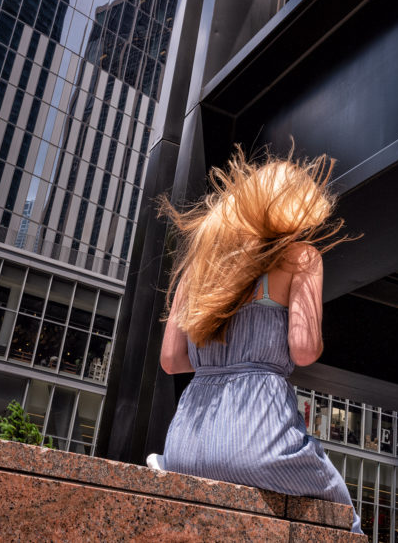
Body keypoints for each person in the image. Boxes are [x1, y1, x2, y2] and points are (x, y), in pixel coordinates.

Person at [148, 147, 362, 535]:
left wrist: (221, 357)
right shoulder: (302, 257)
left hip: (185, 445)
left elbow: (171, 361)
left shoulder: (199, 268)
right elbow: (304, 349)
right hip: (259, 438)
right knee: (344, 519)